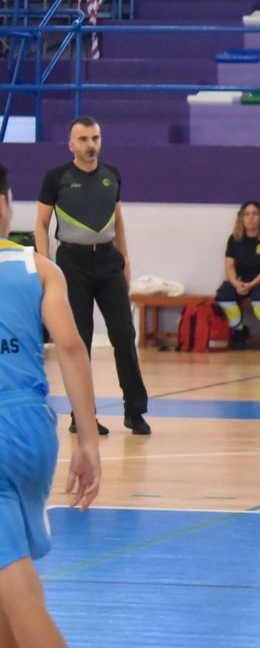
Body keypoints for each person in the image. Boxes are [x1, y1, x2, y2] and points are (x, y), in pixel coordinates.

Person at [0, 162, 103, 648]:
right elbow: (70, 347)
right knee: (7, 587)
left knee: (15, 590)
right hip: (33, 428)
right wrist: (87, 440)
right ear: (7, 205)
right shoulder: (39, 268)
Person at [34, 116, 149, 435]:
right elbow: (41, 225)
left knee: (124, 335)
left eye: (95, 138)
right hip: (72, 265)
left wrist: (125, 261)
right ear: (71, 145)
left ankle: (135, 411)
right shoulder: (56, 177)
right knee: (78, 340)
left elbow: (119, 220)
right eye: (83, 139)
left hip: (109, 262)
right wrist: (44, 266)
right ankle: (81, 416)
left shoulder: (112, 175)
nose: (90, 145)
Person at [215, 201, 260, 351]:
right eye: (247, 214)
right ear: (241, 218)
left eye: (254, 214)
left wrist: (252, 284)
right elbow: (229, 266)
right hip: (241, 279)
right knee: (223, 295)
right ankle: (239, 330)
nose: (250, 218)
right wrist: (235, 283)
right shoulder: (234, 238)